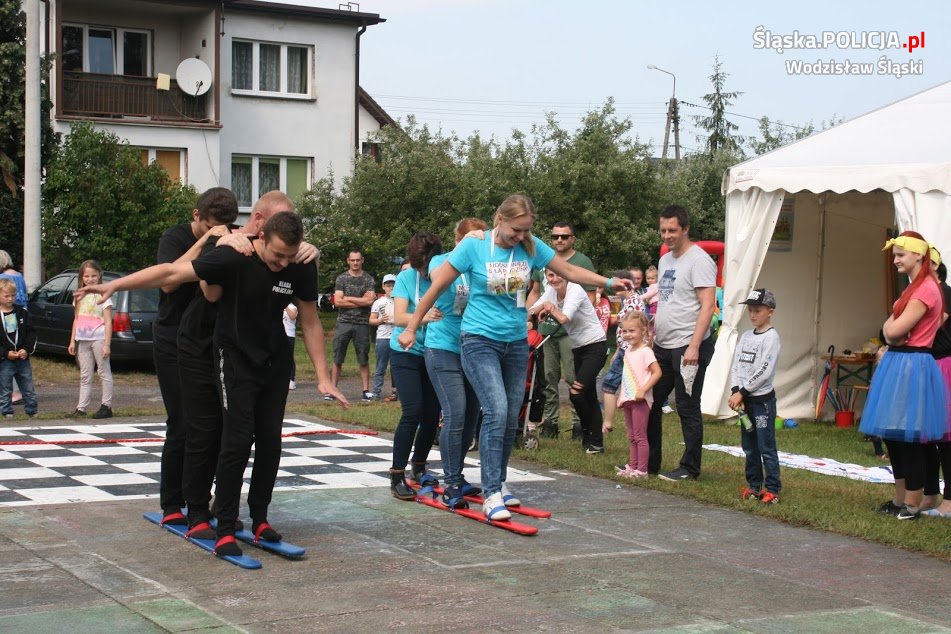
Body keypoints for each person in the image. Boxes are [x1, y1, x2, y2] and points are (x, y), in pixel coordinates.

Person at [76, 211, 346, 556]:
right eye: (278, 255)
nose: (282, 263)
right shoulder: (235, 256)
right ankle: (226, 527)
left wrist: (323, 378)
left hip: (274, 360)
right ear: (262, 238)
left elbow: (309, 320)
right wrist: (116, 284)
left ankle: (260, 518)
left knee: (270, 439)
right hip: (234, 358)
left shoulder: (300, 264)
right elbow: (172, 273)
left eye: (289, 256)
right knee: (237, 439)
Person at [399, 194, 632, 521]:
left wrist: (608, 282)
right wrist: (412, 326)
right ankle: (490, 492)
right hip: (479, 340)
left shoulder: (530, 246)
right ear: (500, 220)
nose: (521, 236)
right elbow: (436, 287)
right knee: (495, 409)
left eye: (526, 230)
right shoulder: (475, 246)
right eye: (516, 230)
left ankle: (499, 481)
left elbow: (567, 269)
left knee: (510, 416)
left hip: (515, 343)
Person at [172, 190, 320, 535]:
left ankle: (239, 512)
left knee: (256, 435)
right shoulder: (228, 243)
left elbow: (304, 306)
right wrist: (215, 243)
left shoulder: (281, 255)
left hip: (253, 350)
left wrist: (313, 251)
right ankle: (195, 510)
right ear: (260, 222)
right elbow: (172, 276)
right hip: (202, 343)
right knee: (206, 431)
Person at [152, 187, 238, 526]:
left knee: (214, 424)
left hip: (209, 340)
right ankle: (172, 501)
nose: (216, 232)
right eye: (208, 226)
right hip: (172, 338)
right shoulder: (175, 237)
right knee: (182, 422)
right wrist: (204, 242)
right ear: (196, 216)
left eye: (222, 227)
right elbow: (168, 282)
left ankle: (206, 497)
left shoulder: (230, 237)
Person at [860, 232, 948, 520]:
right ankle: (901, 499)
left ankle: (912, 502)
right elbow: (891, 330)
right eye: (895, 255)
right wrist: (892, 330)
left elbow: (893, 330)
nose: (895, 260)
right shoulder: (914, 288)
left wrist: (892, 329)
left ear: (918, 256)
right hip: (900, 361)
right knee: (893, 434)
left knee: (908, 435)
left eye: (900, 255)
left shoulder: (926, 289)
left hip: (912, 362)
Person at [648, 205, 716, 481]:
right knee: (650, 400)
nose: (667, 235)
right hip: (662, 345)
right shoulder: (665, 260)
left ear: (686, 229)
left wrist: (694, 346)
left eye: (672, 230)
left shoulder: (699, 261)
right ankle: (649, 461)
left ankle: (689, 468)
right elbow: (668, 301)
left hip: (688, 345)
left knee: (686, 405)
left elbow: (708, 305)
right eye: (663, 230)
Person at [425, 218, 487, 507]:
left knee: (472, 414)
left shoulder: (482, 264)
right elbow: (438, 277)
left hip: (473, 347)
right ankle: (450, 481)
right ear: (458, 240)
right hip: (442, 346)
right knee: (456, 412)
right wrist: (465, 250)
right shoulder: (441, 261)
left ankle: (458, 474)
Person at [526, 222, 596, 440]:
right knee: (548, 378)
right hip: (546, 330)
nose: (559, 240)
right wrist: (528, 317)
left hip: (570, 331)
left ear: (572, 238)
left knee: (573, 377)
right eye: (555, 236)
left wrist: (574, 318)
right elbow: (535, 292)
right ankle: (550, 421)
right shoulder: (543, 260)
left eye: (564, 236)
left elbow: (591, 295)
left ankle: (578, 423)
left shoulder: (582, 262)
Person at [387, 233, 444, 500]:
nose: (424, 271)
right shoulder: (406, 278)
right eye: (420, 266)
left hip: (435, 351)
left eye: (427, 266)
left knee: (432, 415)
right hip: (405, 352)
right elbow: (399, 317)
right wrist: (424, 317)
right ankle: (396, 474)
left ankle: (419, 466)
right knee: (413, 411)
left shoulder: (445, 274)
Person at [531, 269, 608, 453]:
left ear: (565, 275)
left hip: (595, 346)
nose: (555, 279)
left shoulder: (575, 290)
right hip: (578, 348)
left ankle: (589, 433)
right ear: (546, 277)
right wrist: (528, 315)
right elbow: (532, 309)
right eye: (550, 276)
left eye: (558, 274)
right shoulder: (551, 292)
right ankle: (594, 442)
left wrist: (550, 308)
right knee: (588, 396)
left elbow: (565, 318)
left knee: (576, 393)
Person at [728, 288, 783, 504]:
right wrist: (736, 391)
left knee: (766, 447)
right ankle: (754, 485)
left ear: (770, 312)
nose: (753, 315)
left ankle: (773, 489)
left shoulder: (771, 338)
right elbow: (736, 364)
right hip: (745, 401)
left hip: (762, 402)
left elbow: (765, 370)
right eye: (750, 310)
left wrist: (743, 391)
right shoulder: (746, 336)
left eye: (758, 310)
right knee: (749, 446)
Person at [614, 311, 660, 478]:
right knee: (632, 436)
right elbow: (627, 376)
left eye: (632, 331)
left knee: (640, 436)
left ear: (643, 330)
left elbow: (657, 372)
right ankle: (632, 467)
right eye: (625, 331)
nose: (628, 334)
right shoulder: (628, 351)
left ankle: (642, 470)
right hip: (628, 399)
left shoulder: (646, 351)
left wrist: (643, 390)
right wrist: (621, 396)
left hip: (640, 400)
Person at [67, 260, 114, 419]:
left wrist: (107, 344)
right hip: (83, 339)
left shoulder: (103, 295)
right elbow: (76, 319)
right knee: (85, 375)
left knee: (103, 372)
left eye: (94, 275)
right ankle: (81, 408)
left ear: (99, 275)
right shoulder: (79, 296)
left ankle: (106, 406)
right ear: (82, 277)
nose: (90, 279)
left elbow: (108, 322)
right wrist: (72, 340)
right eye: (86, 276)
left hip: (99, 338)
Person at [923, 261, 951, 518]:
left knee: (945, 437)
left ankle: (950, 500)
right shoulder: (924, 293)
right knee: (926, 437)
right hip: (929, 365)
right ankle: (929, 492)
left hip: (944, 366)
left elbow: (928, 330)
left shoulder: (944, 293)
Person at [330, 249, 376, 402]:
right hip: (343, 322)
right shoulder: (341, 278)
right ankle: (332, 390)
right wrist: (360, 300)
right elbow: (338, 302)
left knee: (363, 357)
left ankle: (366, 390)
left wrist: (348, 299)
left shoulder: (368, 279)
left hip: (362, 323)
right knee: (338, 357)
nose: (355, 263)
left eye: (358, 260)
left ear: (362, 260)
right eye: (352, 260)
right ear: (348, 261)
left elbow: (369, 301)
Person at [602, 270, 644, 435]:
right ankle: (627, 424)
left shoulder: (633, 302)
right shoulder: (628, 301)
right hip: (624, 350)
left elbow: (634, 332)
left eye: (616, 283)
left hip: (629, 352)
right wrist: (618, 350)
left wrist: (625, 353)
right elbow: (624, 332)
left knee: (610, 385)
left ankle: (608, 423)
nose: (613, 286)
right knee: (624, 387)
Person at [0, 279, 37, 419]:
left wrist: (26, 350)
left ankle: (32, 410)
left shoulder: (21, 313)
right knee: (5, 387)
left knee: (28, 386)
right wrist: (5, 353)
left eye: (13, 295)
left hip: (22, 358)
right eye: (6, 296)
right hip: (5, 359)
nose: (10, 299)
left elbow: (31, 333)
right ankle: (6, 411)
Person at [0, 250, 28, 406]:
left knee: (7, 355)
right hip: (21, 317)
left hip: (8, 317)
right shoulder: (19, 276)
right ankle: (20, 390)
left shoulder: (2, 278)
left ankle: (13, 393)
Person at [369, 274, 397, 401]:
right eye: (388, 285)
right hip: (383, 337)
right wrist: (380, 320)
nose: (391, 288)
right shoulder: (378, 302)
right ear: (383, 287)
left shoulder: (401, 300)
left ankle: (396, 392)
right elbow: (371, 320)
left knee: (396, 366)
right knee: (381, 366)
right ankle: (376, 392)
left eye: (393, 285)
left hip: (397, 336)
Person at [284, 303, 298, 390]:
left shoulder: (293, 307)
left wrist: (285, 307)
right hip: (278, 334)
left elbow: (293, 316)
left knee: (289, 357)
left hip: (289, 334)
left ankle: (291, 379)